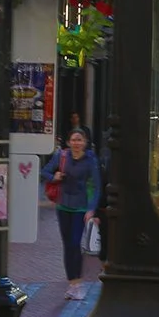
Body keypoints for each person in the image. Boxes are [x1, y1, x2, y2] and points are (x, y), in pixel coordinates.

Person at [41, 125, 101, 300]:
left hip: (80, 207)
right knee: (67, 245)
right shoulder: (62, 156)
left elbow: (96, 186)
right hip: (63, 205)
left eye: (79, 140)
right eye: (73, 140)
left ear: (85, 142)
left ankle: (78, 283)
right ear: (68, 142)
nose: (76, 143)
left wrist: (91, 209)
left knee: (75, 243)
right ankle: (72, 283)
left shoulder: (91, 160)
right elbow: (44, 171)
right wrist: (54, 177)